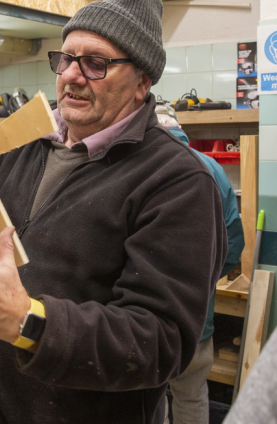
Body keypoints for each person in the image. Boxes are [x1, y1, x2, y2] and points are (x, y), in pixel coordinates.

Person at [0, 0, 228, 423]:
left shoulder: (177, 182)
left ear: (142, 82)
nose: (72, 74)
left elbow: (159, 343)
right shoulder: (15, 145)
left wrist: (26, 320)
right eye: (67, 58)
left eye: (95, 63)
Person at [156, 103, 244, 424]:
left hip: (148, 317)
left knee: (150, 398)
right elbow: (235, 242)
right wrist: (207, 280)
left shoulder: (141, 167)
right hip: (198, 318)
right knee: (192, 394)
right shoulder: (214, 170)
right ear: (181, 130)